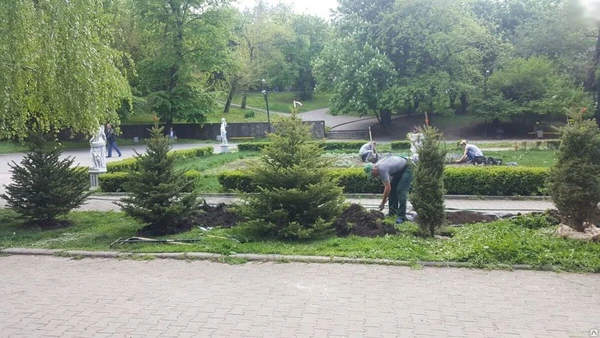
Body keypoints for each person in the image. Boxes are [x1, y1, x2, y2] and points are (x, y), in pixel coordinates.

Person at [364, 156, 413, 224]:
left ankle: (401, 216)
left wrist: (383, 203)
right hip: (399, 170)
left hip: (407, 167)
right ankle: (392, 213)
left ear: (374, 169)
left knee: (400, 191)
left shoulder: (382, 169)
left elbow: (387, 188)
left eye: (372, 174)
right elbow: (389, 188)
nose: (373, 176)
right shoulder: (378, 167)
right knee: (393, 189)